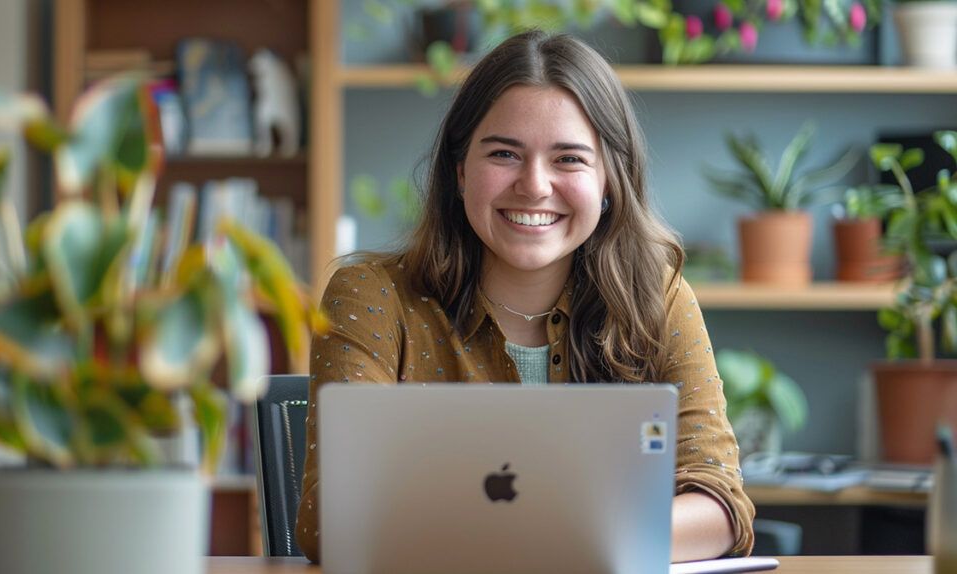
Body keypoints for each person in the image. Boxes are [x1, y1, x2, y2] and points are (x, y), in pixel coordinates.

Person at [295, 29, 755, 563]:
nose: (535, 186)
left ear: (609, 180)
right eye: (505, 153)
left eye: (569, 159)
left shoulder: (657, 299)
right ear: (461, 169)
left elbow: (720, 503)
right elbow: (331, 516)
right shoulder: (373, 297)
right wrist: (578, 538)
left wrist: (545, 541)